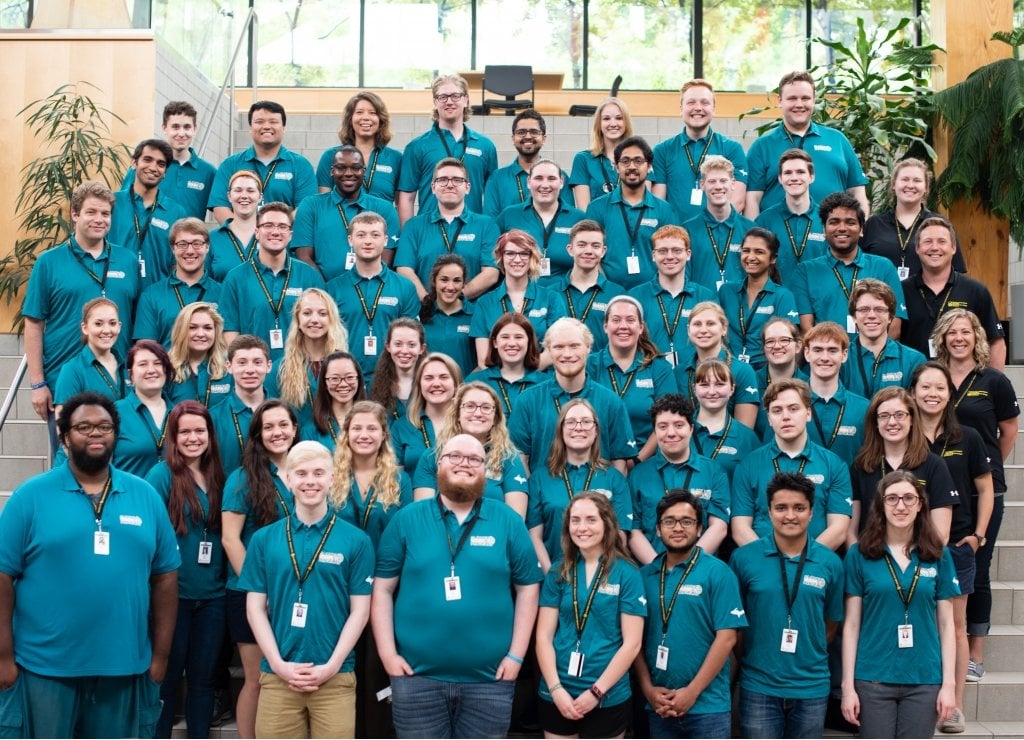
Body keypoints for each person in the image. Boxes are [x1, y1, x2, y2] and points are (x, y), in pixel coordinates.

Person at [0, 391, 179, 738]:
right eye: (84, 427)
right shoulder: (30, 496)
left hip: (124, 668)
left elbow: (166, 578)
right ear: (64, 437)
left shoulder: (145, 495)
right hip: (44, 668)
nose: (96, 433)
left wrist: (160, 659)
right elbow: (2, 578)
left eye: (105, 426)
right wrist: (3, 657)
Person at [371, 434, 542, 738]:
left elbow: (528, 587)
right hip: (416, 679)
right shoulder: (406, 519)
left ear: (485, 470)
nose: (464, 464)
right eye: (455, 456)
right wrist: (387, 654)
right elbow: (382, 589)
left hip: (490, 681)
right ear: (439, 465)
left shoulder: (508, 521)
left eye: (474, 459)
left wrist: (516, 655)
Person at [238, 441, 374, 739]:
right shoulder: (264, 540)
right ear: (287, 479)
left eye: (318, 473)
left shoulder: (357, 541)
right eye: (300, 473)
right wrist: (276, 663)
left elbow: (361, 610)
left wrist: (332, 665)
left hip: (335, 676)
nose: (310, 481)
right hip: (278, 676)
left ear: (333, 478)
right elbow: (254, 608)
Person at [932, 308, 1019, 679]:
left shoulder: (994, 381)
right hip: (936, 486)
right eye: (951, 332)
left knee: (977, 570)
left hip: (982, 491)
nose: (958, 338)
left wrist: (983, 469)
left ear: (976, 337)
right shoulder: (931, 377)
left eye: (965, 332)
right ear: (942, 337)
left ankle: (975, 653)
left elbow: (1009, 430)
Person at [841, 471, 958, 738]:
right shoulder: (859, 555)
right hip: (873, 678)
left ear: (920, 504)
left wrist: (948, 684)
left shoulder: (938, 554)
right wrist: (848, 686)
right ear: (881, 505)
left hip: (924, 678)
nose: (900, 506)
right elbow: (851, 625)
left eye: (908, 498)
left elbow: (947, 624)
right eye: (891, 498)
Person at [730, 471, 845, 739]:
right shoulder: (744, 559)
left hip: (812, 687)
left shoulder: (830, 563)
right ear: (768, 512)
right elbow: (735, 629)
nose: (790, 515)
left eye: (799, 508)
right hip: (759, 685)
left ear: (812, 512)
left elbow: (830, 625)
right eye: (781, 508)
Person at [912, 361, 994, 731]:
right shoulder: (903, 435)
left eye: (940, 388)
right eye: (925, 387)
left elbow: (986, 488)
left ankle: (956, 705)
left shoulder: (969, 437)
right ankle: (922, 697)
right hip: (909, 548)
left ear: (950, 394)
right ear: (913, 392)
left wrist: (978, 534)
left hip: (957, 548)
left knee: (955, 627)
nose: (932, 394)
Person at [24, 181, 140, 432]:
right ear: (75, 214)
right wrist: (37, 384)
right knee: (70, 460)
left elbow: (137, 320)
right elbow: (33, 323)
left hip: (118, 384)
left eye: (105, 214)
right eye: (91, 212)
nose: (99, 219)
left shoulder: (128, 261)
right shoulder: (49, 262)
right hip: (65, 385)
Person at [635, 491, 748, 739]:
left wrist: (691, 693)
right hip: (659, 705)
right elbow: (633, 641)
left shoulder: (718, 572)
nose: (677, 528)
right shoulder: (643, 577)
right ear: (657, 529)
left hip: (708, 707)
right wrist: (648, 690)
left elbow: (727, 638)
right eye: (669, 521)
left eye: (686, 521)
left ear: (699, 529)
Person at [145, 401, 227, 740]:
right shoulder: (161, 475)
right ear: (173, 437)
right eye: (185, 432)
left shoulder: (219, 475)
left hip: (214, 596)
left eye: (200, 431)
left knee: (203, 681)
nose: (193, 438)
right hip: (173, 597)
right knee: (166, 680)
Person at [328, 400, 409, 738]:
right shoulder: (331, 477)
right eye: (356, 428)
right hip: (338, 590)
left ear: (383, 434)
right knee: (342, 671)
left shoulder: (399, 479)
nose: (363, 434)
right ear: (345, 434)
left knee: (377, 673)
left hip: (385, 591)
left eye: (371, 428)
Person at [535, 492, 645, 739]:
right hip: (557, 691)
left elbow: (632, 644)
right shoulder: (558, 570)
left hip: (607, 695)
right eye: (575, 520)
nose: (582, 528)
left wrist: (596, 692)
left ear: (607, 523)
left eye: (590, 520)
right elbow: (543, 637)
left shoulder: (627, 573)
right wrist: (556, 689)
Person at [221, 399, 298, 739]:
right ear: (257, 434)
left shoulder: (306, 468)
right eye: (268, 427)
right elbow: (230, 540)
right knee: (257, 680)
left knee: (287, 680)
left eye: (283, 425)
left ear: (295, 429)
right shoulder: (242, 478)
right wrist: (259, 590)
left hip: (295, 593)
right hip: (251, 594)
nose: (277, 432)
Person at [731, 378, 852, 551]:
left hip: (815, 565)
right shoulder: (748, 465)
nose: (786, 416)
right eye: (777, 411)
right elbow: (740, 529)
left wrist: (806, 561)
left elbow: (838, 529)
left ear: (808, 413)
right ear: (769, 419)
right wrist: (769, 561)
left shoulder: (834, 465)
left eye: (794, 409)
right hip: (763, 565)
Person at [509, 318, 636, 473]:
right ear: (548, 350)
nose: (567, 354)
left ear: (588, 347)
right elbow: (521, 460)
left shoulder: (611, 402)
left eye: (574, 346)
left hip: (597, 494)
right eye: (558, 347)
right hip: (545, 496)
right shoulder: (527, 401)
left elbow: (619, 463)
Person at [527, 399, 633, 572]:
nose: (579, 427)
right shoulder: (540, 478)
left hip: (602, 577)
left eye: (586, 422)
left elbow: (620, 535)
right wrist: (551, 577)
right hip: (554, 576)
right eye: (570, 422)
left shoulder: (613, 478)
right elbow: (534, 537)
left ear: (596, 430)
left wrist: (597, 576)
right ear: (561, 430)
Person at [745, 70, 869, 218]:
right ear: (779, 100)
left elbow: (858, 192)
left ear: (814, 100)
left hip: (833, 236)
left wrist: (861, 232)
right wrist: (756, 239)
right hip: (777, 237)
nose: (799, 104)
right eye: (792, 98)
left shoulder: (838, 140)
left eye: (805, 98)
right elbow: (752, 199)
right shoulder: (762, 146)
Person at [849, 387, 959, 545]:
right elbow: (851, 532)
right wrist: (860, 563)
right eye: (884, 416)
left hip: (919, 561)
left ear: (912, 419)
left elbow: (941, 534)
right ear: (875, 423)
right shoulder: (861, 467)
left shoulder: (934, 465)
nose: (892, 422)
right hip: (870, 561)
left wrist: (908, 562)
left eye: (900, 415)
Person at [628, 394, 731, 562]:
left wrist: (688, 567)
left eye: (678, 425)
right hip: (652, 572)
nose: (671, 433)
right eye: (662, 426)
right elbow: (633, 531)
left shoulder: (714, 471)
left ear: (691, 428)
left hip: (700, 572)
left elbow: (719, 527)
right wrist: (660, 568)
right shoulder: (637, 475)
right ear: (655, 431)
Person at [219, 201, 326, 362]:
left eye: (282, 226)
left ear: (290, 234)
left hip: (300, 369)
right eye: (268, 225)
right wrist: (246, 367)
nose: (275, 232)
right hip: (254, 372)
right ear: (256, 232)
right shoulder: (236, 278)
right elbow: (230, 332)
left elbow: (324, 328)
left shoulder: (309, 276)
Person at [326, 211, 420, 384]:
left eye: (375, 235)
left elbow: (411, 337)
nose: (368, 241)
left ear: (385, 240)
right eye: (361, 235)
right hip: (346, 380)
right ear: (350, 240)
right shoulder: (333, 288)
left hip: (392, 380)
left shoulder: (405, 287)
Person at [793, 192, 906, 334]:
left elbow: (894, 326)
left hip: (874, 355)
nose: (842, 228)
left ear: (861, 229)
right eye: (834, 222)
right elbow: (806, 329)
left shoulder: (883, 267)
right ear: (824, 229)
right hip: (827, 354)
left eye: (850, 222)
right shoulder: (806, 271)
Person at [902, 217, 1006, 369]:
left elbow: (996, 343)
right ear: (917, 248)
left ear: (953, 248)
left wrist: (992, 385)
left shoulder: (976, 291)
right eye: (928, 241)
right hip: (915, 385)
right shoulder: (902, 291)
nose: (934, 247)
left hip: (963, 385)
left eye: (942, 241)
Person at [414, 382, 528, 518]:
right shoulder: (432, 456)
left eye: (486, 408)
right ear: (457, 414)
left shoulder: (509, 458)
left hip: (494, 536)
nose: (478, 413)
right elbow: (424, 516)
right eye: (470, 406)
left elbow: (516, 519)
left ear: (495, 418)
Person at [395, 157, 501, 299]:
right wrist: (427, 301)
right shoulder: (414, 226)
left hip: (470, 313)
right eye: (443, 180)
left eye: (457, 180)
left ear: (467, 187)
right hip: (426, 313)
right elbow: (404, 269)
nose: (449, 185)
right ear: (433, 187)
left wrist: (455, 299)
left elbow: (491, 273)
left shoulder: (486, 225)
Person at [588, 295, 678, 459]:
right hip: (598, 460)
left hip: (646, 461)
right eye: (616, 320)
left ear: (641, 327)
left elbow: (668, 419)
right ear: (606, 326)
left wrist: (637, 461)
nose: (623, 326)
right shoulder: (590, 365)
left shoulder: (659, 368)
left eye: (630, 320)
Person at [397, 74, 498, 221]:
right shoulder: (417, 146)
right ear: (435, 102)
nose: (449, 102)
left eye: (455, 96)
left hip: (472, 232)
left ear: (466, 100)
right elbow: (406, 198)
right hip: (429, 232)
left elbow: (492, 197)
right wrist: (409, 236)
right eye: (443, 97)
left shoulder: (485, 146)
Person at [292, 145, 401, 281]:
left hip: (370, 293)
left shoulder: (384, 209)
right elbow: (304, 257)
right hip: (323, 294)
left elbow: (385, 260)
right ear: (332, 171)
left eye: (356, 168)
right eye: (341, 168)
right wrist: (325, 291)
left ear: (364, 172)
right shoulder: (311, 205)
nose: (348, 173)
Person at [585, 137, 681, 290]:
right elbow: (588, 253)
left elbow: (674, 254)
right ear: (616, 166)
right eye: (625, 161)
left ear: (649, 166)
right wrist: (607, 288)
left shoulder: (664, 210)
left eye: (638, 161)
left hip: (653, 293)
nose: (631, 166)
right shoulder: (597, 208)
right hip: (607, 292)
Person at [652, 79, 748, 221]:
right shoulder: (662, 151)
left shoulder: (732, 149)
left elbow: (738, 200)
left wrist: (709, 230)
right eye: (691, 102)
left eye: (705, 102)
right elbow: (659, 203)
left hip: (718, 235)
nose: (698, 108)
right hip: (676, 237)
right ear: (681, 108)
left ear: (714, 109)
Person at [209, 100, 317, 224]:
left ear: (284, 128)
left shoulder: (301, 166)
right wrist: (244, 232)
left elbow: (304, 209)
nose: (266, 126)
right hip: (240, 240)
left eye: (273, 122)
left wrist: (274, 229)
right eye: (259, 122)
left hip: (283, 239)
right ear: (250, 128)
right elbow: (220, 208)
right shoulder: (230, 164)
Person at [470, 229, 567, 367]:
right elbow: (483, 359)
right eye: (510, 253)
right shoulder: (485, 303)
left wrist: (523, 376)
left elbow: (556, 348)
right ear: (500, 257)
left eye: (523, 253)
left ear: (532, 257)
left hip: (539, 380)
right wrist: (508, 378)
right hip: (498, 384)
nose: (517, 259)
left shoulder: (551, 299)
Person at [862, 157, 966, 278]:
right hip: (880, 296)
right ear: (894, 184)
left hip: (926, 296)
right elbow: (857, 266)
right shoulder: (873, 224)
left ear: (926, 187)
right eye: (905, 179)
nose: (910, 185)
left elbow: (957, 272)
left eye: (917, 180)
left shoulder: (940, 225)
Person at [627, 224, 715, 366]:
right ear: (653, 255)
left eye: (676, 250)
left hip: (694, 375)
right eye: (662, 251)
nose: (669, 256)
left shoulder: (705, 296)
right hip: (650, 373)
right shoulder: (635, 296)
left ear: (688, 254)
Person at [718, 226, 800, 370]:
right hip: (728, 370)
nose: (750, 257)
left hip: (767, 371)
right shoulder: (726, 291)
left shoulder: (783, 296)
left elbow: (788, 345)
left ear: (773, 258)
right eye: (746, 251)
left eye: (759, 252)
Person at [110, 138, 188, 287]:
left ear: (165, 172)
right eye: (147, 159)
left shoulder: (176, 212)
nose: (153, 167)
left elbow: (178, 263)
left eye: (161, 164)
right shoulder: (112, 203)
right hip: (116, 291)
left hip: (157, 296)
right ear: (134, 163)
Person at [133, 217, 222, 346]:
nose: (190, 251)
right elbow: (146, 349)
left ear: (207, 247)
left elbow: (227, 345)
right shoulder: (151, 295)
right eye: (182, 244)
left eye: (197, 243)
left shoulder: (222, 293)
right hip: (168, 366)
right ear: (173, 248)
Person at [496, 158, 584, 287]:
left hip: (566, 296)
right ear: (529, 182)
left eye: (551, 179)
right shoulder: (509, 215)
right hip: (522, 293)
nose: (545, 185)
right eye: (538, 178)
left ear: (561, 182)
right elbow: (494, 257)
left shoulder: (579, 218)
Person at [122, 101, 216, 220]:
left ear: (195, 129)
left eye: (187, 127)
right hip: (148, 237)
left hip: (188, 238)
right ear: (164, 128)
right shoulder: (145, 167)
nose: (181, 133)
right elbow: (124, 204)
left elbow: (221, 207)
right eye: (175, 127)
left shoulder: (209, 172)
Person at [269, 287, 349, 423]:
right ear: (298, 321)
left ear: (331, 320)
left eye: (323, 314)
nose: (315, 320)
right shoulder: (279, 369)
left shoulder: (346, 366)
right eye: (307, 313)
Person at [675, 301, 760, 428]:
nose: (703, 330)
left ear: (724, 328)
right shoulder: (679, 372)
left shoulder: (743, 371)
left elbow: (744, 431)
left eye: (711, 323)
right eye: (697, 324)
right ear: (688, 330)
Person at [842, 278, 926, 398]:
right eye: (864, 309)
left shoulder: (914, 360)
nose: (871, 315)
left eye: (879, 309)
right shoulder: (840, 359)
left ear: (891, 317)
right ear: (854, 316)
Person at [801, 322, 870, 465]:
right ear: (807, 354)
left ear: (844, 355)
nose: (825, 357)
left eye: (832, 350)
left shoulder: (864, 408)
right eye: (818, 350)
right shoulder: (790, 405)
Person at [315, 91, 403, 202]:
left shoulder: (396, 158)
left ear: (381, 119)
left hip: (383, 218)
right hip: (343, 219)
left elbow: (401, 203)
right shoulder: (330, 156)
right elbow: (324, 203)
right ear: (350, 119)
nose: (366, 117)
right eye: (359, 112)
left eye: (373, 113)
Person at [753, 148, 827, 280]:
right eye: (788, 173)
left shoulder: (827, 219)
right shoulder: (764, 222)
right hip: (777, 299)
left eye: (800, 172)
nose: (794, 178)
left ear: (811, 177)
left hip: (817, 298)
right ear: (780, 179)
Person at [684, 155, 756, 289]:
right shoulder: (688, 230)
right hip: (702, 306)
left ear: (733, 183)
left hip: (740, 307)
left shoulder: (750, 230)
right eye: (712, 181)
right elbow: (684, 278)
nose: (718, 186)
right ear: (702, 185)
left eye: (723, 180)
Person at [485, 110, 572, 217]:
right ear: (513, 138)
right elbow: (491, 221)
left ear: (544, 138)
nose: (528, 136)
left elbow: (568, 217)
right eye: (521, 132)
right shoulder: (497, 178)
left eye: (534, 132)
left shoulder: (558, 176)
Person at [391, 352, 462, 475]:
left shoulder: (470, 423)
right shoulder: (401, 426)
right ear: (419, 385)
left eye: (444, 377)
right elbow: (394, 480)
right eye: (428, 378)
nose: (436, 384)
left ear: (456, 384)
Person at [53, 297, 126, 416]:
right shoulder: (72, 370)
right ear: (85, 328)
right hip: (93, 434)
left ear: (119, 326)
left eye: (112, 323)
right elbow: (62, 422)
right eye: (98, 324)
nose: (107, 330)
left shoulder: (129, 365)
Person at [210, 335, 273, 474]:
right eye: (242, 362)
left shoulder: (283, 414)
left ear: (268, 366)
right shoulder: (213, 417)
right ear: (229, 366)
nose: (250, 370)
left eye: (257, 362)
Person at [466, 311, 548, 417]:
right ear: (495, 343)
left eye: (518, 337)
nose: (512, 343)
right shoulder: (474, 382)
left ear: (529, 341)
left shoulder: (546, 384)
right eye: (505, 337)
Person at [691, 359, 761, 483]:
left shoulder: (747, 438)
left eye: (719, 384)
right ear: (694, 389)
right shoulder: (678, 432)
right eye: (704, 385)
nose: (712, 392)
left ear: (732, 389)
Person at [557, 220, 624, 349]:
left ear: (603, 251)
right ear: (570, 249)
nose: (589, 251)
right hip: (562, 366)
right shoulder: (551, 293)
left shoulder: (617, 294)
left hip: (602, 368)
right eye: (582, 245)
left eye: (595, 245)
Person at [113, 340, 173, 477]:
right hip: (129, 496)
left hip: (170, 497)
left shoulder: (179, 413)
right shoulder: (114, 413)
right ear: (131, 374)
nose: (151, 370)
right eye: (143, 364)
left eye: (157, 363)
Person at [570, 97, 635, 210]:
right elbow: (585, 212)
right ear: (599, 124)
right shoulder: (583, 159)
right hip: (596, 226)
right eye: (606, 119)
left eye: (619, 118)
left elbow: (644, 208)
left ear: (626, 123)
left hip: (631, 226)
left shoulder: (640, 159)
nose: (613, 123)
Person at [419, 254, 476, 377]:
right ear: (434, 281)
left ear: (463, 283)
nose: (450, 287)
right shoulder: (420, 315)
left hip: (463, 391)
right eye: (444, 280)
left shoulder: (476, 314)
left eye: (457, 281)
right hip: (430, 389)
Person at [167, 302, 231, 409]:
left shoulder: (229, 369)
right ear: (181, 331)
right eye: (192, 327)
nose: (201, 334)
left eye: (207, 328)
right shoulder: (166, 369)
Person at [301, 351, 367, 450]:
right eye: (335, 378)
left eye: (350, 377)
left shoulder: (374, 423)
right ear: (325, 383)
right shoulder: (310, 431)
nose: (343, 384)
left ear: (359, 380)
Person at [368, 318, 426, 423]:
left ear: (422, 348)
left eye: (411, 345)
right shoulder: (374, 386)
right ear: (388, 346)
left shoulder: (430, 384)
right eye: (398, 344)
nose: (404, 351)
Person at [754, 318, 803, 439]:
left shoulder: (809, 385)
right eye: (770, 341)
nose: (777, 346)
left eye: (784, 340)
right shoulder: (751, 383)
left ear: (798, 346)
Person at [208, 170, 261, 281]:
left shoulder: (270, 236)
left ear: (260, 197)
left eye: (250, 191)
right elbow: (205, 282)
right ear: (229, 196)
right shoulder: (212, 239)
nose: (244, 196)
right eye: (238, 190)